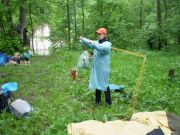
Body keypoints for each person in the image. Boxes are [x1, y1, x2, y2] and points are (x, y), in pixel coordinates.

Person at [80, 28, 112, 106]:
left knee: (104, 85)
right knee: (97, 83)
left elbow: (101, 48)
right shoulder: (96, 42)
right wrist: (82, 40)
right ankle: (98, 102)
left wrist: (91, 42)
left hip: (103, 69)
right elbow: (89, 44)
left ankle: (109, 103)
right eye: (97, 34)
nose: (98, 36)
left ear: (104, 35)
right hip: (96, 68)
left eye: (100, 34)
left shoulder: (107, 44)